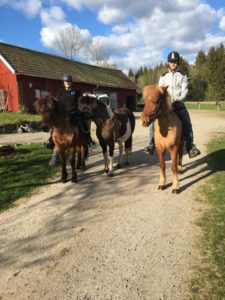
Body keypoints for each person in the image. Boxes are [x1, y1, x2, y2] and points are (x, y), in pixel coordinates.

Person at [144, 51, 201, 158]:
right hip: (166, 106)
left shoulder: (183, 75)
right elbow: (159, 91)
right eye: (171, 61)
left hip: (179, 105)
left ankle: (190, 147)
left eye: (175, 61)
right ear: (168, 63)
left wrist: (179, 100)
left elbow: (185, 90)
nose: (173, 63)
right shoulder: (163, 76)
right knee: (152, 122)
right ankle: (151, 144)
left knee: (187, 122)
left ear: (178, 63)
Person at [45, 74, 93, 149]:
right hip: (63, 114)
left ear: (71, 82)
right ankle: (51, 140)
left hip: (74, 112)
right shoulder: (61, 92)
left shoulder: (77, 91)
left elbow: (81, 101)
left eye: (68, 81)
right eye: (65, 81)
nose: (67, 83)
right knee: (54, 123)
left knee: (82, 121)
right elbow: (57, 102)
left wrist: (82, 108)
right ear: (63, 83)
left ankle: (88, 138)